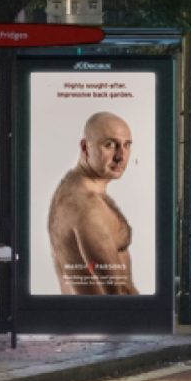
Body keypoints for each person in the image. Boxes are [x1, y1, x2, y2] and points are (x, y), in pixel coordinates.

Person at [46, 110, 137, 295]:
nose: (121, 156)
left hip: (89, 318)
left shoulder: (77, 189)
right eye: (109, 145)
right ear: (85, 147)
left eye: (126, 145)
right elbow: (117, 292)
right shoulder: (87, 207)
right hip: (104, 321)